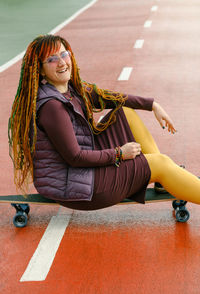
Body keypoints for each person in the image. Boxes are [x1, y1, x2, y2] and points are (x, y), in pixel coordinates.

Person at [8, 34, 200, 211]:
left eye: (63, 54)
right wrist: (119, 154)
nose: (61, 62)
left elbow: (111, 98)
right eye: (51, 59)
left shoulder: (71, 89)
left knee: (125, 112)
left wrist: (152, 105)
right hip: (79, 187)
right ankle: (160, 173)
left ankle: (158, 178)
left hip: (82, 173)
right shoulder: (52, 107)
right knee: (161, 163)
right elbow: (75, 157)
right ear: (40, 70)